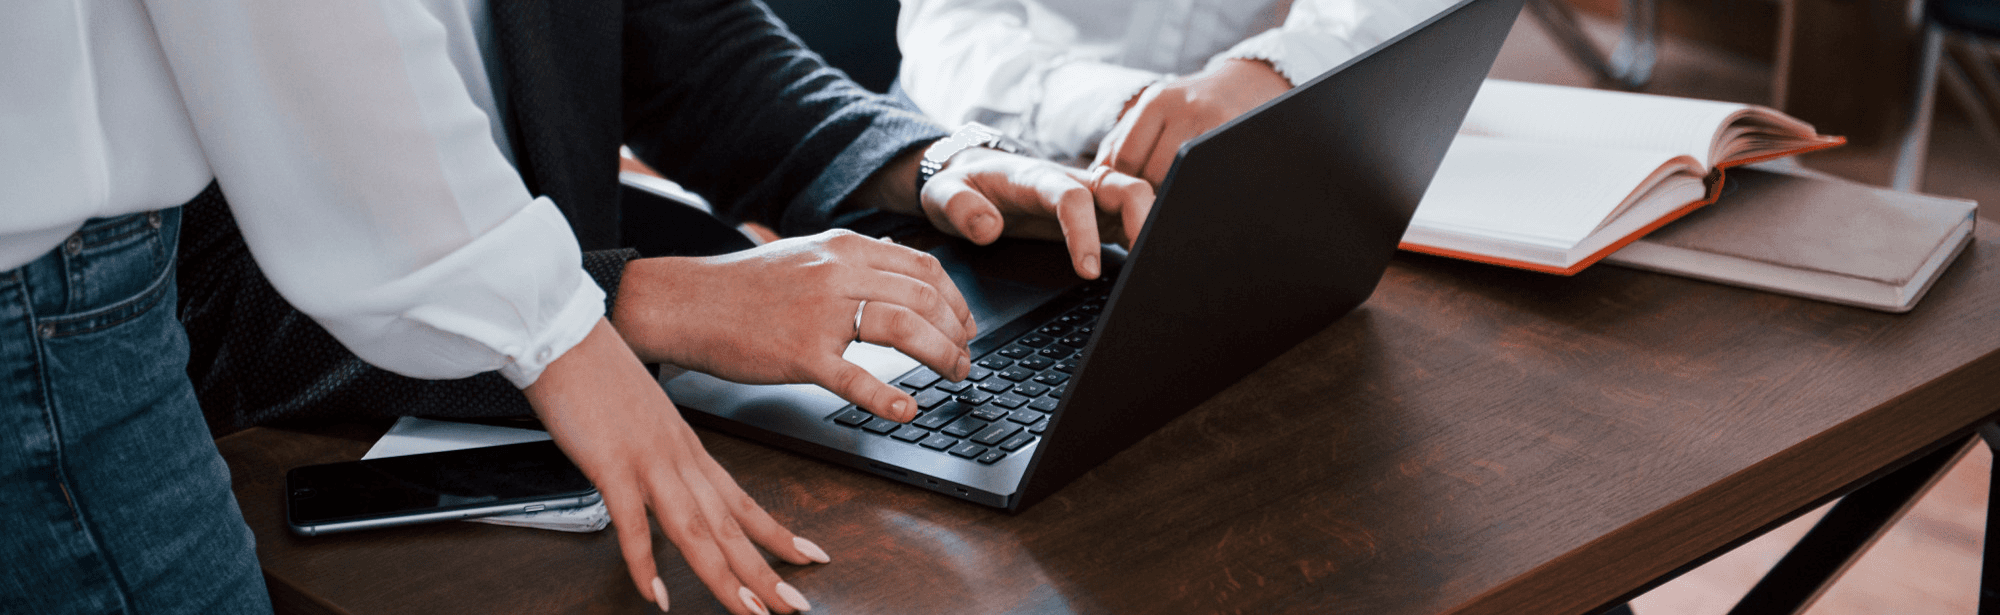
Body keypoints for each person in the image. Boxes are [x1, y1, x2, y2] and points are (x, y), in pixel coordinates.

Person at [5, 2, 1148, 615]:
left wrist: (927, 164)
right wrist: (622, 307)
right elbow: (206, 312)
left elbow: (684, 40)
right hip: (294, 446)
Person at [895, 0, 1456, 184]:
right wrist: (1137, 105)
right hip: (972, 129)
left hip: (1241, 131)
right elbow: (949, 26)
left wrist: (1273, 71)